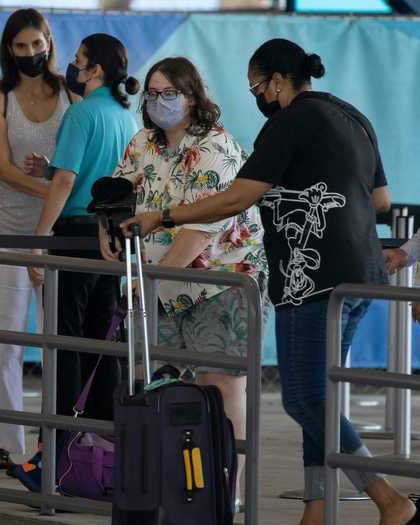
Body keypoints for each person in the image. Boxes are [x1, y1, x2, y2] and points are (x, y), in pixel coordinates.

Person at [121, 38, 416, 525]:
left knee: (303, 397)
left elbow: (234, 199)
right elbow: (380, 200)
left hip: (312, 276)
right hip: (363, 273)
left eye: (257, 86)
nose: (258, 96)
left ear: (277, 82)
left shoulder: (287, 122)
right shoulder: (352, 116)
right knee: (318, 394)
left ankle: (387, 496)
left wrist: (164, 216)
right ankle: (316, 508)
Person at [100, 56, 268, 506]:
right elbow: (115, 193)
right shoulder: (142, 143)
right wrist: (109, 233)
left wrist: (148, 279)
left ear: (193, 97)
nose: (158, 102)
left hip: (218, 281)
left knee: (220, 383)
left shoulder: (216, 146)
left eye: (168, 93)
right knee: (148, 380)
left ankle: (228, 491)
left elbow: (200, 230)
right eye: (151, 93)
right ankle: (160, 486)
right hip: (154, 282)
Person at [11, 33, 139, 490]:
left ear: (96, 71)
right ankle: (100, 450)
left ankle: (59, 452)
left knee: (66, 346)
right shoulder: (124, 115)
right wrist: (49, 168)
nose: (72, 66)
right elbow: (93, 175)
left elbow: (67, 183)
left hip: (75, 236)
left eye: (80, 61)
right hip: (110, 238)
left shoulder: (82, 112)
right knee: (102, 345)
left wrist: (38, 240)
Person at [0, 8, 76, 470]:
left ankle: (59, 437)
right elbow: (2, 168)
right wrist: (55, 188)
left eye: (38, 44)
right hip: (5, 230)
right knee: (2, 340)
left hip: (59, 234)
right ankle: (0, 441)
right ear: (8, 50)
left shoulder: (72, 95)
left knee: (59, 338)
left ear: (50, 42)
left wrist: (57, 185)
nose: (31, 53)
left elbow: (78, 163)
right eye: (21, 46)